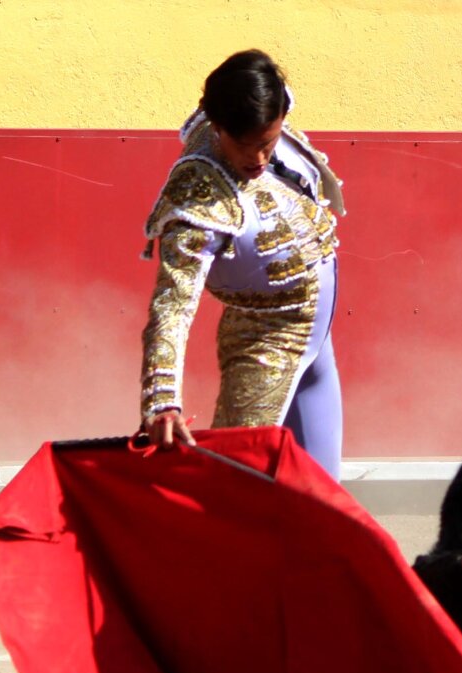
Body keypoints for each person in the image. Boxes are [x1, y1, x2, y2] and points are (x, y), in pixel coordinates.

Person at [139, 49, 346, 477]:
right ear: (217, 128)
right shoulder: (198, 193)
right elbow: (172, 305)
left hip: (317, 344)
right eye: (243, 145)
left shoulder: (266, 103)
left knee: (320, 501)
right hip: (262, 348)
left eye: (267, 143)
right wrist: (162, 399)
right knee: (232, 492)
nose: (256, 159)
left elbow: (260, 87)